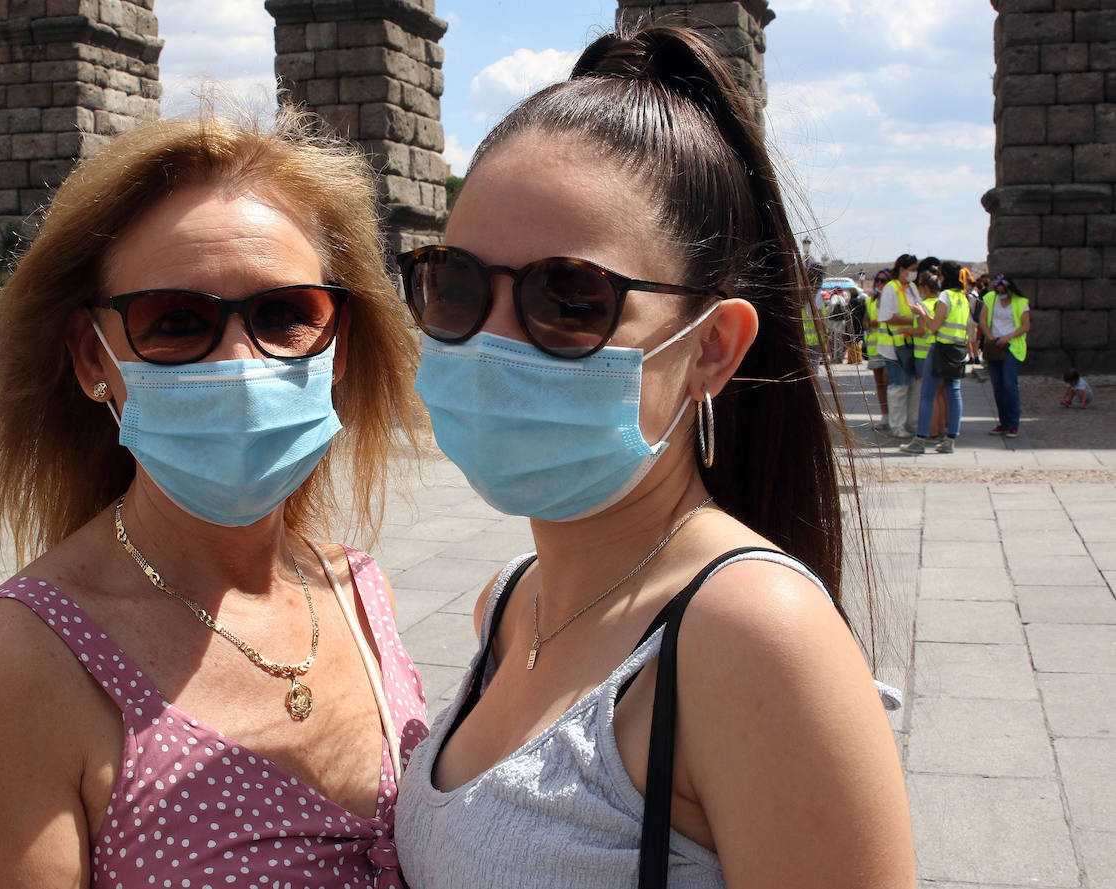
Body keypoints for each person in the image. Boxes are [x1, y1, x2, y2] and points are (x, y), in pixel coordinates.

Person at [394, 24, 914, 889]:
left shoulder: (755, 640)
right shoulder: (509, 601)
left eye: (568, 297)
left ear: (712, 346)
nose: (488, 340)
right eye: (452, 284)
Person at [0, 111, 431, 888]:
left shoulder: (361, 590)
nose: (239, 361)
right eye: (176, 321)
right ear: (94, 355)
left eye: (285, 313)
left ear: (341, 340)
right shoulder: (14, 668)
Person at [900, 263, 969, 454]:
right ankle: (950, 439)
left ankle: (920, 440)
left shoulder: (945, 296)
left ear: (944, 277)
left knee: (928, 394)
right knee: (954, 393)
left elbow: (933, 326)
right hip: (957, 349)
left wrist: (923, 313)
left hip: (940, 349)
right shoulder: (963, 297)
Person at [981, 274, 1030, 437]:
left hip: (1012, 346)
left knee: (1009, 385)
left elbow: (1025, 325)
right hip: (994, 345)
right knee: (998, 387)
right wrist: (990, 336)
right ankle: (1004, 422)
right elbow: (982, 319)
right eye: (998, 290)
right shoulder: (990, 298)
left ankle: (1013, 422)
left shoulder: (1021, 302)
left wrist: (1008, 337)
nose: (1000, 293)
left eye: (1003, 290)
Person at [878, 254, 921, 438]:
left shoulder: (912, 288)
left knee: (912, 385)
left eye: (915, 270)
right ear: (902, 269)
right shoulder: (891, 288)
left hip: (911, 342)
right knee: (898, 386)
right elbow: (887, 317)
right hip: (893, 345)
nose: (914, 273)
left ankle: (912, 423)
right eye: (912, 269)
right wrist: (913, 320)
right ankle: (897, 425)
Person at [866, 268, 891, 429]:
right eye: (878, 281)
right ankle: (885, 416)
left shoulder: (892, 299)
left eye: (884, 281)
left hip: (889, 346)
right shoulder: (870, 301)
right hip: (875, 346)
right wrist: (870, 324)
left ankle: (894, 414)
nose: (880, 284)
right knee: (880, 384)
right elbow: (865, 322)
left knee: (888, 382)